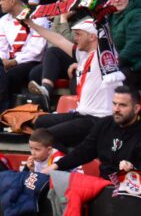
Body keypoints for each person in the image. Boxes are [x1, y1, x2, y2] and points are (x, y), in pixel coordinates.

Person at [26, 17, 119, 147]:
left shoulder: (104, 56)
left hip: (99, 119)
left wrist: (99, 16)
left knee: (48, 137)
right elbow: (57, 39)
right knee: (40, 122)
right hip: (80, 114)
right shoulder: (83, 55)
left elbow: (105, 37)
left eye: (79, 34)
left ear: (92, 36)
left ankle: (65, 164)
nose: (75, 38)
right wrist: (31, 23)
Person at [45, 86, 141, 179]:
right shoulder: (104, 124)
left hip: (129, 194)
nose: (116, 109)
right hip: (102, 187)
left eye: (122, 105)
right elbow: (83, 151)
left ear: (136, 109)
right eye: (114, 104)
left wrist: (133, 170)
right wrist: (56, 166)